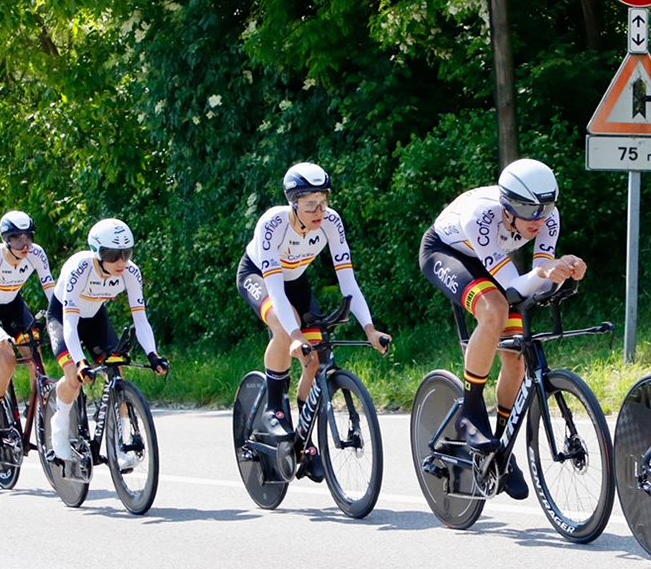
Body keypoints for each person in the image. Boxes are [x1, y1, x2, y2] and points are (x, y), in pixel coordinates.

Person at [418, 158, 586, 500]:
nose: (538, 219)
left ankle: (501, 452)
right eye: (527, 209)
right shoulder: (481, 216)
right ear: (507, 205)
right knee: (493, 308)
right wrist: (542, 273)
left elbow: (539, 282)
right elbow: (512, 288)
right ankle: (470, 410)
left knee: (515, 357)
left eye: (545, 208)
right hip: (447, 252)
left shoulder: (547, 218)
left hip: (491, 261)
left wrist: (562, 271)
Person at [237, 162, 390, 482]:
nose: (320, 211)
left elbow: (348, 282)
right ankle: (274, 406)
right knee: (284, 325)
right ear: (293, 204)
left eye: (324, 202)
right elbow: (275, 289)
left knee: (315, 356)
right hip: (259, 276)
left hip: (296, 280)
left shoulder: (331, 223)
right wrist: (293, 334)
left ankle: (303, 442)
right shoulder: (273, 223)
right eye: (311, 205)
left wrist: (370, 328)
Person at [46, 219, 169, 470]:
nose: (121, 261)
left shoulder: (131, 272)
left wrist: (153, 355)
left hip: (95, 318)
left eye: (126, 253)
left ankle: (123, 441)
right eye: (113, 255)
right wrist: (80, 362)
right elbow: (69, 323)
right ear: (97, 253)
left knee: (117, 370)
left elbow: (141, 319)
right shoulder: (79, 268)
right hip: (63, 317)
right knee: (74, 376)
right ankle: (59, 426)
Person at [0, 211, 56, 448]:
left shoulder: (36, 254)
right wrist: (1, 335)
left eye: (29, 237)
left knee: (35, 357)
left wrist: (63, 318)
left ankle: (35, 409)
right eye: (17, 238)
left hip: (14, 306)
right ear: (5, 239)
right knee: (7, 361)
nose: (25, 243)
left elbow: (52, 293)